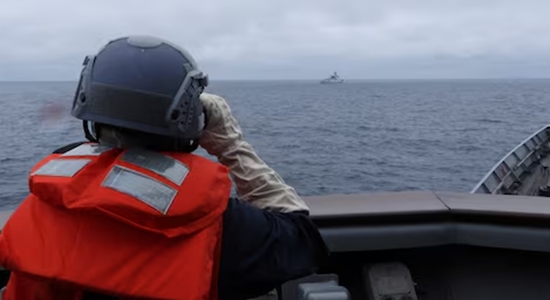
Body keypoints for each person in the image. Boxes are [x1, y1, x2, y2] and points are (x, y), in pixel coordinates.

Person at [0, 36, 328, 300]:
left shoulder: (45, 202)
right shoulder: (226, 230)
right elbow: (302, 239)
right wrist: (231, 145)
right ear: (191, 120)